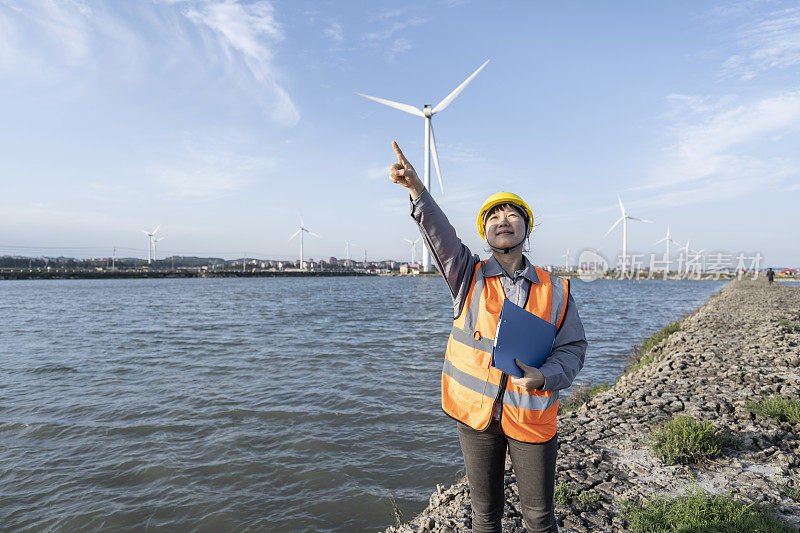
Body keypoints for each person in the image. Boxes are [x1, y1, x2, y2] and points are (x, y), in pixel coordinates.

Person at [389, 141, 588, 533]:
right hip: (477, 418)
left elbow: (573, 349)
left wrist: (545, 376)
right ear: (484, 230)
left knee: (540, 518)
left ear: (526, 227)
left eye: (512, 213)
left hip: (531, 413)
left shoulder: (557, 289)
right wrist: (417, 190)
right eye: (494, 215)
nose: (503, 219)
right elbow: (440, 235)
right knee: (484, 517)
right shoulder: (467, 275)